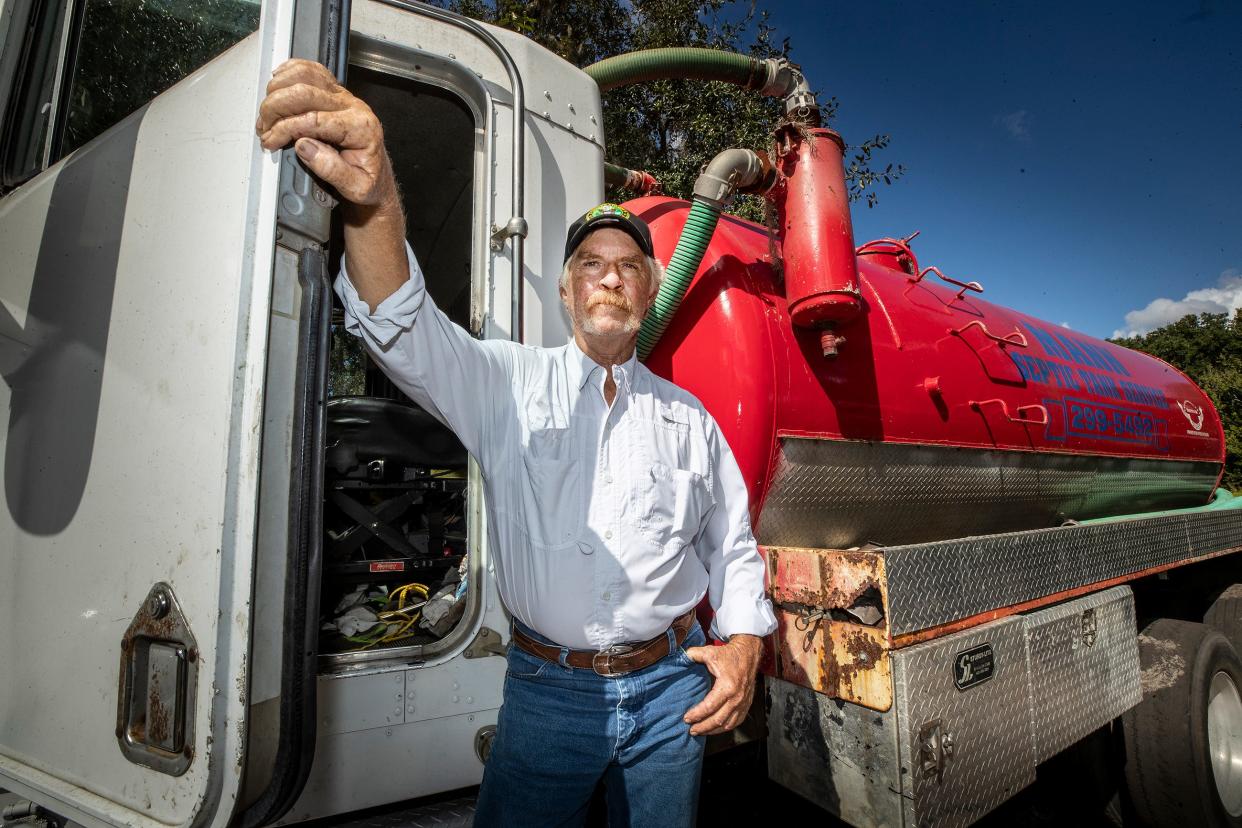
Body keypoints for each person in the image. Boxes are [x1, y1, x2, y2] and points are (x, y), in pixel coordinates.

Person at [255, 59, 776, 827]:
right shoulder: (502, 382)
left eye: (628, 267)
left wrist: (745, 645)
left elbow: (729, 543)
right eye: (590, 266)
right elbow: (401, 324)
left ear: (648, 289)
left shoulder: (690, 418)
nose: (609, 278)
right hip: (547, 697)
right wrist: (372, 201)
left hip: (675, 692)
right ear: (565, 291)